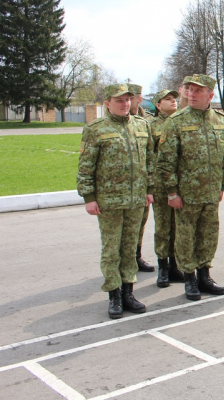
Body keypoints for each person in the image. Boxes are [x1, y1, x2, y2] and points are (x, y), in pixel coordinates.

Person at [77, 83, 153, 319]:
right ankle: (114, 295)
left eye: (128, 99)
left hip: (135, 199)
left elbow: (150, 161)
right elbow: (85, 166)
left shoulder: (142, 125)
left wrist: (149, 189)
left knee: (130, 249)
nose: (125, 104)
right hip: (109, 201)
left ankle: (128, 292)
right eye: (119, 100)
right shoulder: (95, 129)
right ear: (107, 103)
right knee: (112, 250)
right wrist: (89, 197)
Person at [157, 74, 224, 301]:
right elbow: (166, 162)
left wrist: (221, 185)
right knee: (185, 237)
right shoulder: (176, 122)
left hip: (211, 192)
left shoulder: (221, 121)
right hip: (186, 194)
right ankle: (189, 278)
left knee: (209, 234)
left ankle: (204, 275)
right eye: (189, 89)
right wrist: (172, 192)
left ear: (210, 95)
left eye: (198, 90)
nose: (192, 94)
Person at [147, 89, 184, 287]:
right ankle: (163, 267)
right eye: (167, 99)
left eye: (174, 99)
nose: (173, 102)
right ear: (158, 105)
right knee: (163, 227)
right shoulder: (151, 126)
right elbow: (147, 156)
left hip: (180, 183)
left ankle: (175, 265)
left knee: (177, 226)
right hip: (160, 185)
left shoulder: (180, 122)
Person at [123, 82, 155, 273]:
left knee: (140, 222)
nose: (128, 102)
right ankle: (123, 261)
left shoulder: (147, 120)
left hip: (142, 184)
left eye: (131, 97)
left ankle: (136, 255)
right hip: (121, 186)